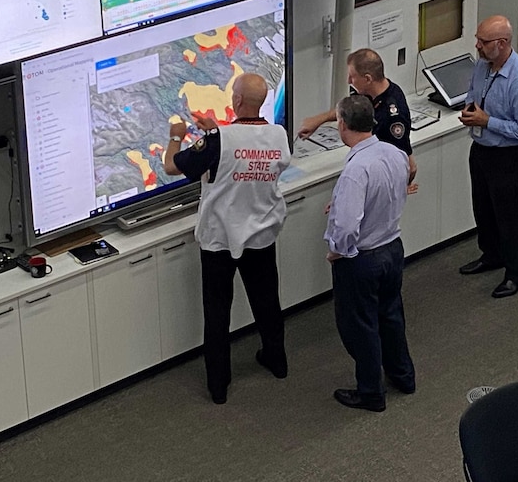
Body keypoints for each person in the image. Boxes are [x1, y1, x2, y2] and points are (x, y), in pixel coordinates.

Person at [163, 73, 291, 404]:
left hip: (219, 240)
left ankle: (218, 386)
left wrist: (176, 137)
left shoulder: (219, 141)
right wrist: (213, 131)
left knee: (217, 313)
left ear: (235, 102)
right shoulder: (278, 136)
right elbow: (245, 151)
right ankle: (277, 362)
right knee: (267, 304)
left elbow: (172, 167)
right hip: (261, 235)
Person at [325, 94, 416, 413]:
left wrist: (338, 250)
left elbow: (348, 226)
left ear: (344, 125)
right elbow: (393, 190)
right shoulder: (393, 153)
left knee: (360, 327)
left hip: (361, 259)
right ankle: (403, 376)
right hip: (392, 248)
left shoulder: (356, 170)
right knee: (391, 317)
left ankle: (370, 392)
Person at [458, 15, 518, 298]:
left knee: (509, 215)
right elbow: (473, 92)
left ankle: (516, 273)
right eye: (478, 39)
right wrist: (471, 112)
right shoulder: (482, 66)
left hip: (508, 156)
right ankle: (491, 255)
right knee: (482, 208)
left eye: (484, 41)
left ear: (502, 44)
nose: (477, 46)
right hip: (481, 148)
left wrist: (487, 121)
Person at [298, 48, 418, 188]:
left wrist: (400, 188)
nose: (349, 81)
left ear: (367, 79)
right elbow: (349, 110)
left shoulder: (392, 115)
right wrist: (318, 120)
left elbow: (406, 163)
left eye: (352, 76)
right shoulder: (369, 92)